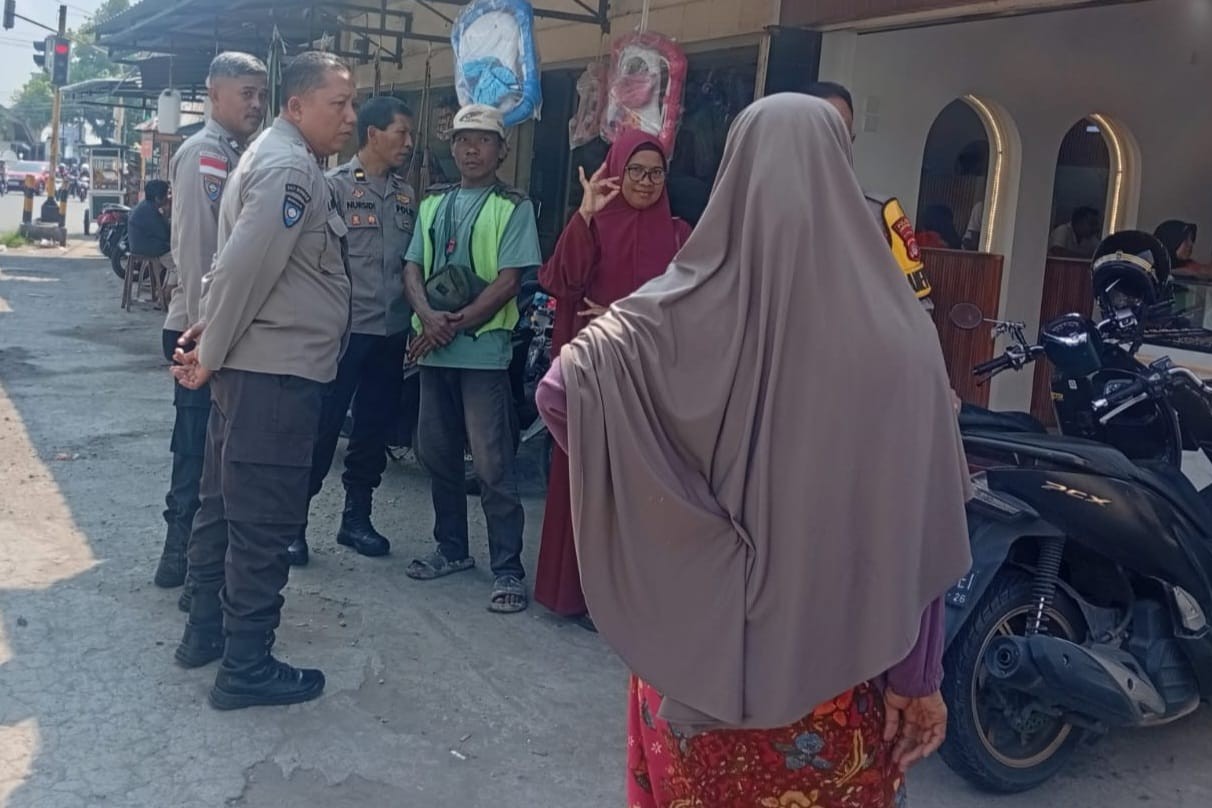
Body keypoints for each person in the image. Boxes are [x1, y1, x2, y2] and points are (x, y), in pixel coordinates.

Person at [536, 94, 972, 807]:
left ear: (733, 175)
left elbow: (560, 396)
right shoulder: (903, 339)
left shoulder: (662, 317)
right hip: (843, 674)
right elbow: (921, 517)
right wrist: (918, 679)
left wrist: (683, 529)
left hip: (695, 660)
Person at [171, 51, 355, 709]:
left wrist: (211, 338)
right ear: (297, 105)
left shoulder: (275, 156)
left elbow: (233, 265)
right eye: (339, 104)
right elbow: (243, 267)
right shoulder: (289, 168)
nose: (351, 117)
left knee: (224, 505)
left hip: (255, 371)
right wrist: (211, 350)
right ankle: (245, 666)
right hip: (273, 377)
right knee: (263, 523)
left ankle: (205, 634)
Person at [534, 130, 691, 628]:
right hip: (596, 372)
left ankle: (632, 600)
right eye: (635, 171)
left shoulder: (680, 235)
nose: (645, 182)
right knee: (590, 483)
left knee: (640, 487)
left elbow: (693, 307)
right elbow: (560, 281)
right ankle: (579, 594)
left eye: (656, 172)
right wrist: (584, 215)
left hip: (650, 378)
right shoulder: (595, 225)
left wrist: (624, 316)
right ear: (617, 172)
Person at [401, 104, 542, 614]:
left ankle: (508, 567)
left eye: (483, 140)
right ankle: (452, 548)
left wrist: (449, 324)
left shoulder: (513, 206)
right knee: (436, 453)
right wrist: (426, 316)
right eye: (463, 140)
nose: (471, 149)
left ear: (501, 150)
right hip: (434, 350)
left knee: (491, 463)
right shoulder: (433, 202)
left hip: (482, 352)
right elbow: (412, 267)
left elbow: (508, 281)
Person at [153, 51, 268, 594]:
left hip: (212, 329)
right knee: (196, 456)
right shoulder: (207, 154)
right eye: (246, 93)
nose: (256, 104)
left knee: (211, 456)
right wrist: (207, 335)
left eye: (261, 94)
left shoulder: (233, 153)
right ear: (213, 94)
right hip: (199, 328)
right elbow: (201, 251)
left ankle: (191, 568)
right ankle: (182, 564)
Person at [288, 96, 417, 566]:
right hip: (343, 332)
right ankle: (293, 525)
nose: (409, 142)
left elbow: (410, 265)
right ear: (373, 134)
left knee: (373, 429)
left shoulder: (407, 196)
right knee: (322, 428)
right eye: (401, 132)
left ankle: (356, 518)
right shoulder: (333, 187)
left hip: (390, 331)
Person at [127, 180, 173, 271]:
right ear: (157, 198)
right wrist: (167, 214)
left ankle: (163, 276)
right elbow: (165, 235)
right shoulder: (150, 211)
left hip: (139, 245)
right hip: (146, 247)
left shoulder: (145, 205)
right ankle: (169, 279)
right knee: (178, 256)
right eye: (166, 195)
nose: (167, 198)